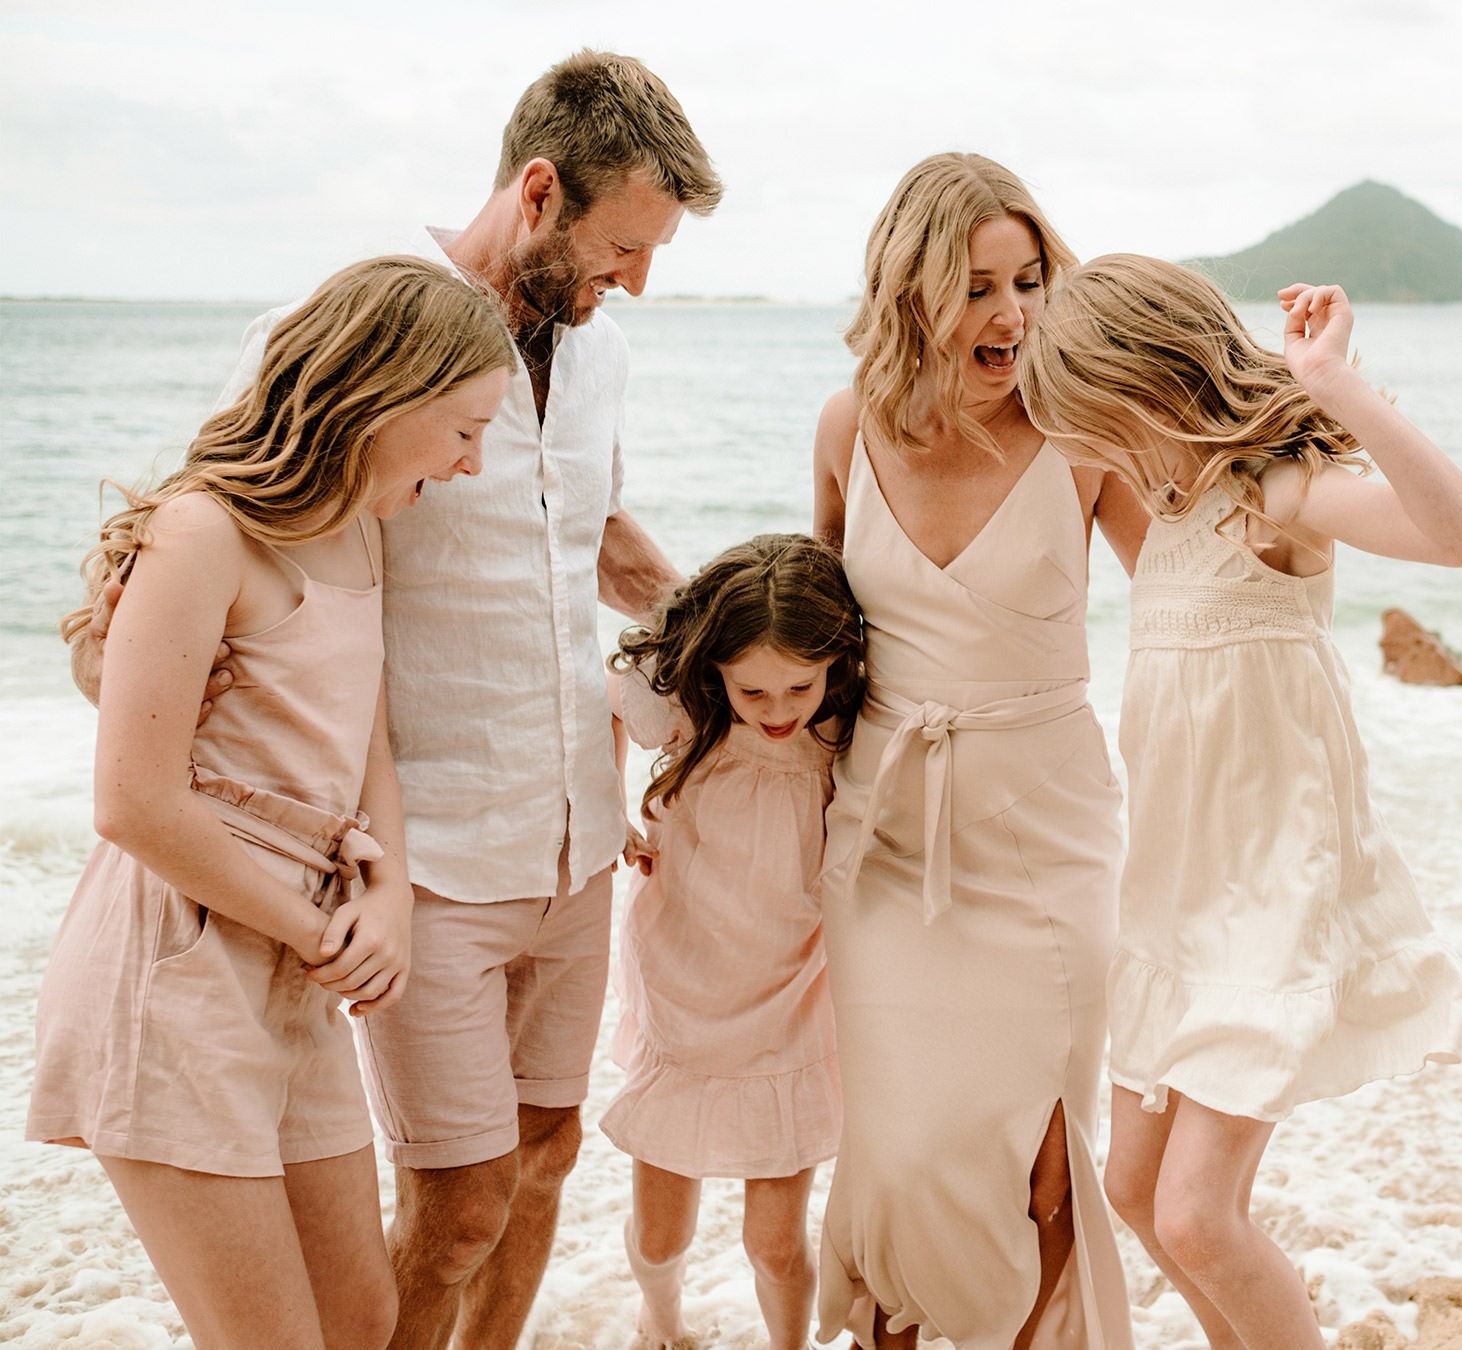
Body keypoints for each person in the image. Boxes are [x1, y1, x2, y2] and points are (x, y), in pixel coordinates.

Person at [69, 49, 723, 1349]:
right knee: (460, 1191)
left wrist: (758, 646)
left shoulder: (599, 358)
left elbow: (592, 540)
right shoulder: (350, 337)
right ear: (539, 189)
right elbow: (241, 534)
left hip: (578, 836)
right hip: (419, 852)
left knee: (543, 1152)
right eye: (621, 245)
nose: (637, 282)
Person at [29, 256, 512, 1350]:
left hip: (297, 969)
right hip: (180, 966)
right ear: (383, 396)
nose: (473, 465)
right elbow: (131, 802)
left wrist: (384, 899)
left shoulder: (361, 528)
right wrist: (317, 932)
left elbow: (366, 737)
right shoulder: (203, 533)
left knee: (361, 1318)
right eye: (463, 429)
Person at [1017, 255, 1462, 1350]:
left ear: (1143, 384)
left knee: (1194, 1213)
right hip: (1177, 903)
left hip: (1273, 896)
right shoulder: (1167, 514)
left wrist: (1334, 385)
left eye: (1089, 414)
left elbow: (1461, 535)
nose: (1081, 445)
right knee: (1137, 1198)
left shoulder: (1272, 494)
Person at [810, 153, 1150, 1350]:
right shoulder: (847, 425)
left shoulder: (1086, 433)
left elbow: (1189, 612)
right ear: (911, 295)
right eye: (976, 287)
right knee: (898, 1160)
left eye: (1029, 279)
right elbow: (811, 645)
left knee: (1045, 1167)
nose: (1011, 314)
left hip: (1051, 838)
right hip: (884, 842)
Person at [602, 533, 864, 1350]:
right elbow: (603, 699)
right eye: (753, 690)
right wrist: (610, 804)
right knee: (659, 1234)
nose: (779, 709)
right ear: (715, 668)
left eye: (799, 685)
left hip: (791, 992)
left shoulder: (841, 726)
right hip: (684, 976)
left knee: (779, 1246)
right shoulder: (687, 704)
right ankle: (663, 1324)